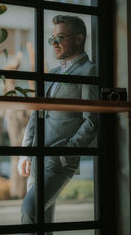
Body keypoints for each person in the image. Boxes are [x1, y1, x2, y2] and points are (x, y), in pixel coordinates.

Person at [18, 15, 98, 234]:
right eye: (52, 39)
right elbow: (37, 114)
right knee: (42, 225)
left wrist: (67, 152)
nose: (54, 44)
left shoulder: (90, 71)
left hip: (58, 160)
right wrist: (26, 152)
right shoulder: (53, 73)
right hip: (37, 155)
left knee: (29, 211)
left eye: (60, 38)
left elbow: (92, 120)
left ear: (79, 39)